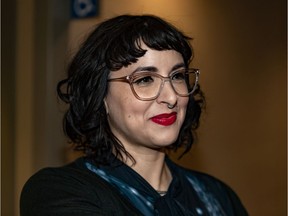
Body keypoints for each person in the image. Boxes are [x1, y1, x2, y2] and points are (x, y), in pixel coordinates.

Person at [20, 14, 248, 216]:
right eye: (145, 79)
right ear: (100, 96)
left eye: (177, 76)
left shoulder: (217, 196)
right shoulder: (59, 191)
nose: (171, 97)